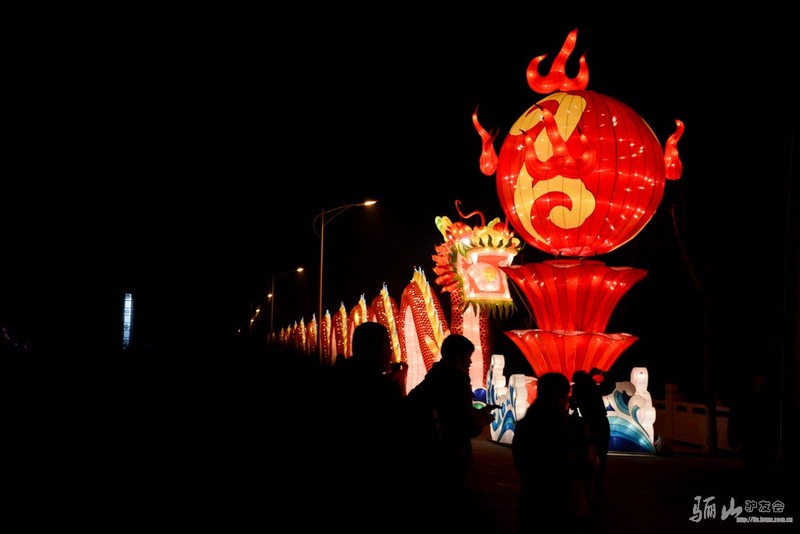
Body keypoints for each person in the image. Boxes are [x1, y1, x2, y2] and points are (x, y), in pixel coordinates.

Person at [314, 322, 408, 528]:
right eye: (387, 346)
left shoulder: (341, 375)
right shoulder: (373, 387)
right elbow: (396, 427)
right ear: (373, 349)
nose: (390, 353)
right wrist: (395, 389)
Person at [403, 333, 496, 527]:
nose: (470, 362)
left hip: (429, 452)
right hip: (450, 453)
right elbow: (466, 423)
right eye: (467, 357)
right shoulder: (458, 380)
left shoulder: (433, 378)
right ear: (457, 356)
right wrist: (482, 418)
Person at [512, 372, 596, 533]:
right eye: (555, 396)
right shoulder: (569, 427)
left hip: (539, 504)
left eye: (563, 397)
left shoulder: (528, 425)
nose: (560, 402)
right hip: (553, 503)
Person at [570, 369, 611, 500]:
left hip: (588, 423)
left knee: (587, 453)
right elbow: (609, 388)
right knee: (601, 454)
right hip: (600, 422)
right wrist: (602, 375)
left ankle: (588, 484)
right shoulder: (592, 388)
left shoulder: (578, 389)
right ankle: (597, 484)